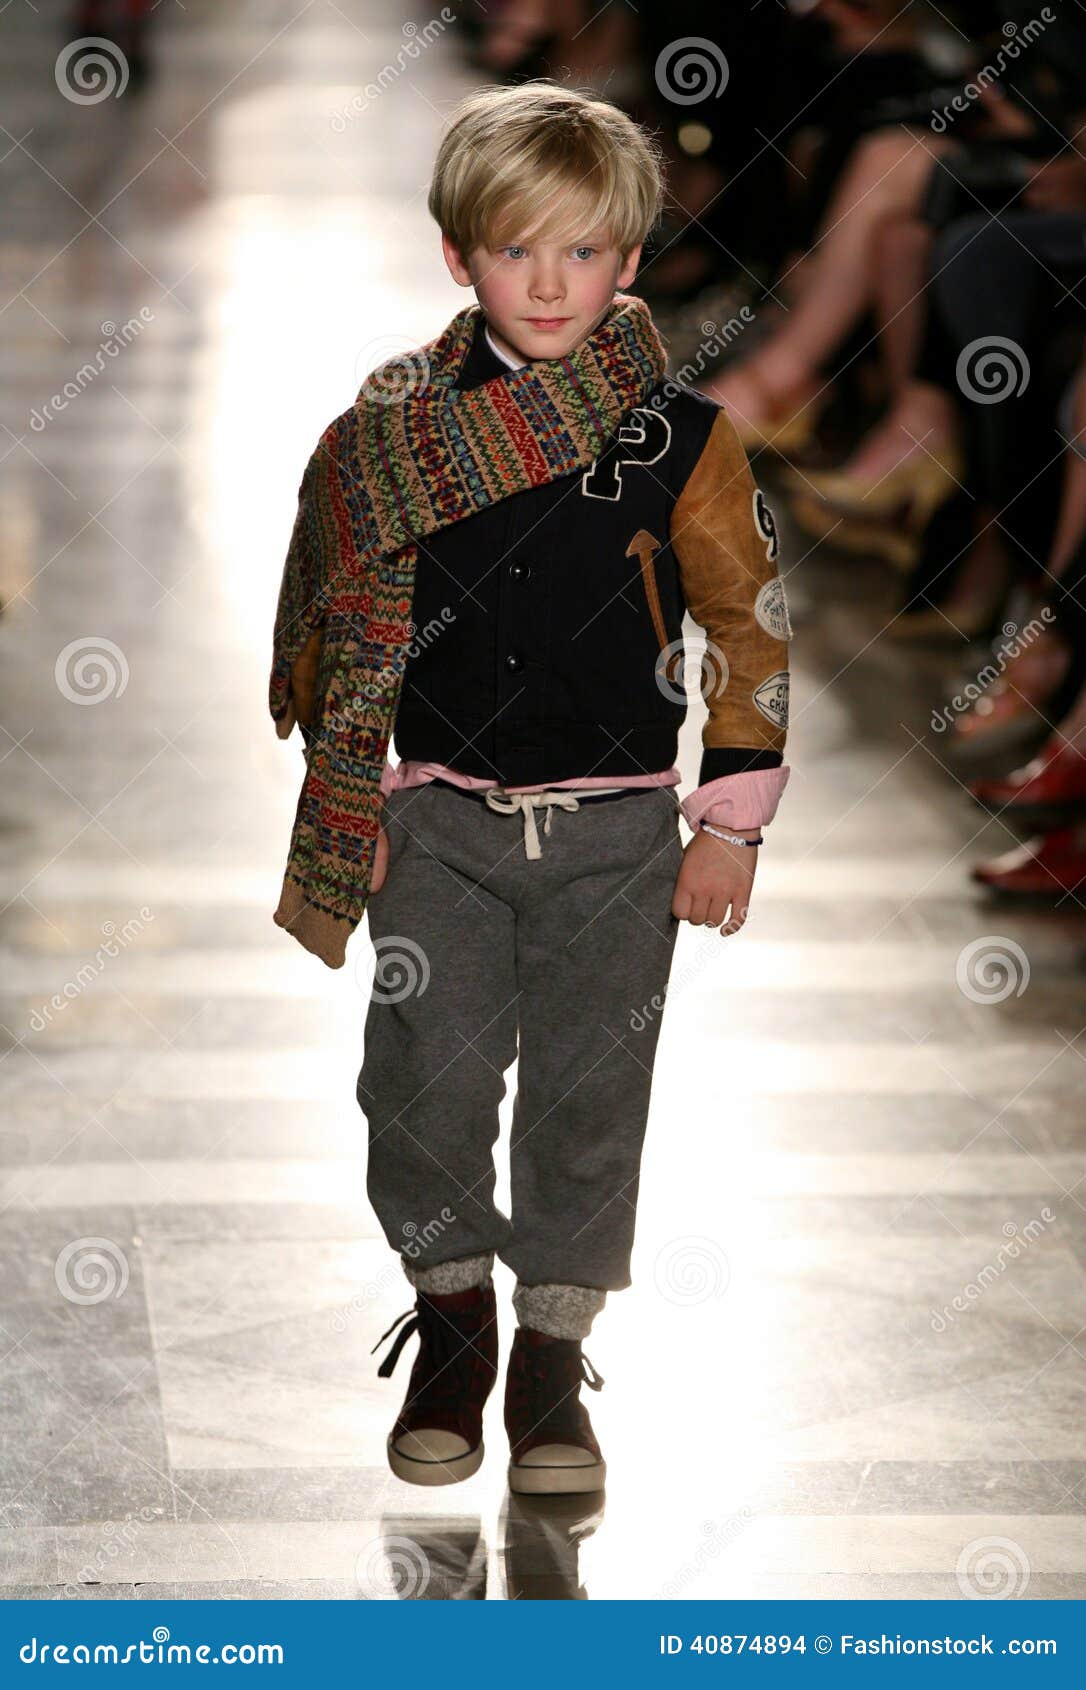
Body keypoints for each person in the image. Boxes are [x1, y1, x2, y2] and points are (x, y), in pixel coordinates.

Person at [268, 81, 793, 1495]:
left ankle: (551, 1360)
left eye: (581, 251)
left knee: (587, 1095)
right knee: (420, 1086)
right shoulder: (392, 432)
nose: (548, 283)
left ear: (629, 260)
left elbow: (748, 625)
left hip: (622, 836)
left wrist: (726, 823)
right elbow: (340, 614)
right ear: (459, 256)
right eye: (515, 250)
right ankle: (451, 1325)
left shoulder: (680, 440)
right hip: (436, 821)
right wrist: (352, 793)